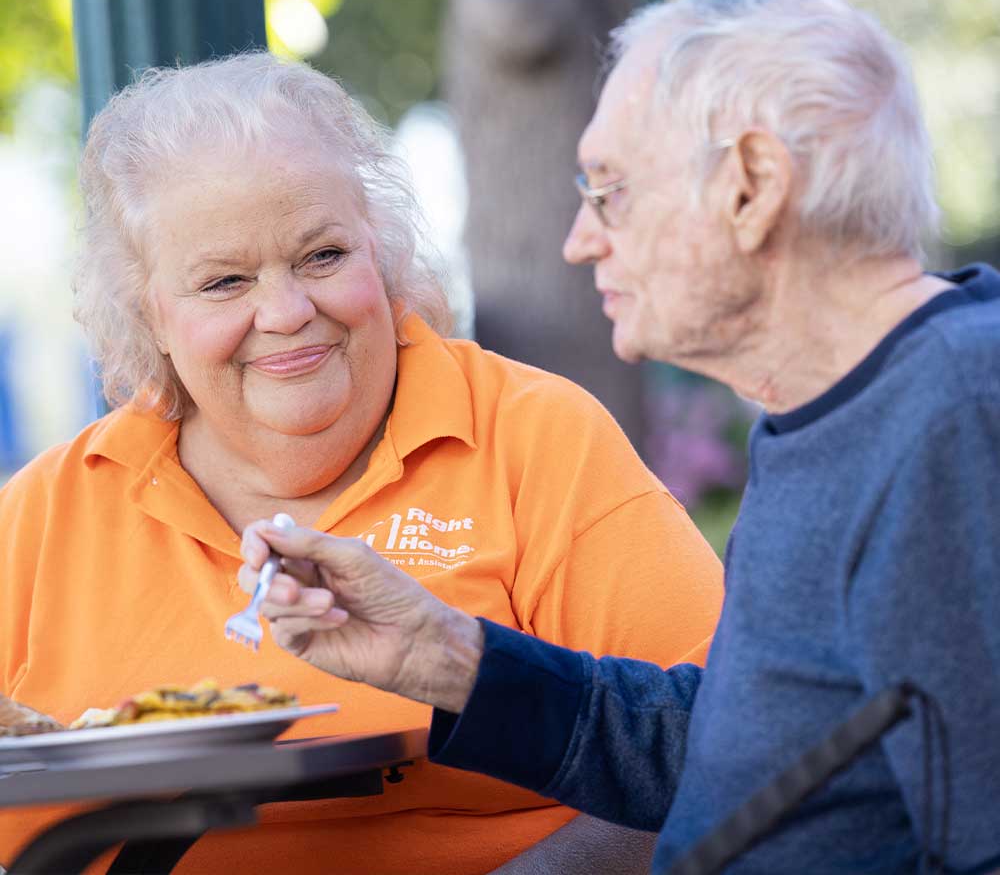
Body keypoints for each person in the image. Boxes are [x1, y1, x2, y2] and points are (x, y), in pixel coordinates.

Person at [239, 0, 1000, 874]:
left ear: (751, 187)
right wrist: (442, 653)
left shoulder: (957, 418)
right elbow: (741, 759)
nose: (581, 238)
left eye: (612, 190)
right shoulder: (855, 410)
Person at [0, 55, 725, 874]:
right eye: (225, 281)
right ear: (149, 315)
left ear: (379, 254)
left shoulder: (531, 439)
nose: (285, 313)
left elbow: (730, 752)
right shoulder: (47, 512)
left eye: (322, 256)